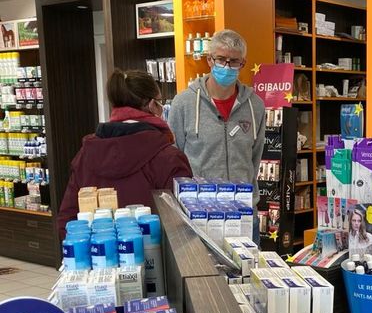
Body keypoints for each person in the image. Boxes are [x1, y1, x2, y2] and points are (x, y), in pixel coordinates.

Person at [57, 70, 192, 239]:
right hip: (155, 259)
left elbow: (67, 221)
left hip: (96, 257)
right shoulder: (168, 158)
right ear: (152, 105)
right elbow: (184, 226)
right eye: (160, 102)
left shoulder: (86, 154)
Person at [168, 29, 265, 241]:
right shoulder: (183, 104)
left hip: (244, 216)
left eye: (234, 62)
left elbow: (254, 157)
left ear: (243, 64)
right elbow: (175, 158)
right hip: (199, 217)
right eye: (221, 59)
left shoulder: (255, 106)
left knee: (248, 274)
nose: (227, 66)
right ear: (209, 60)